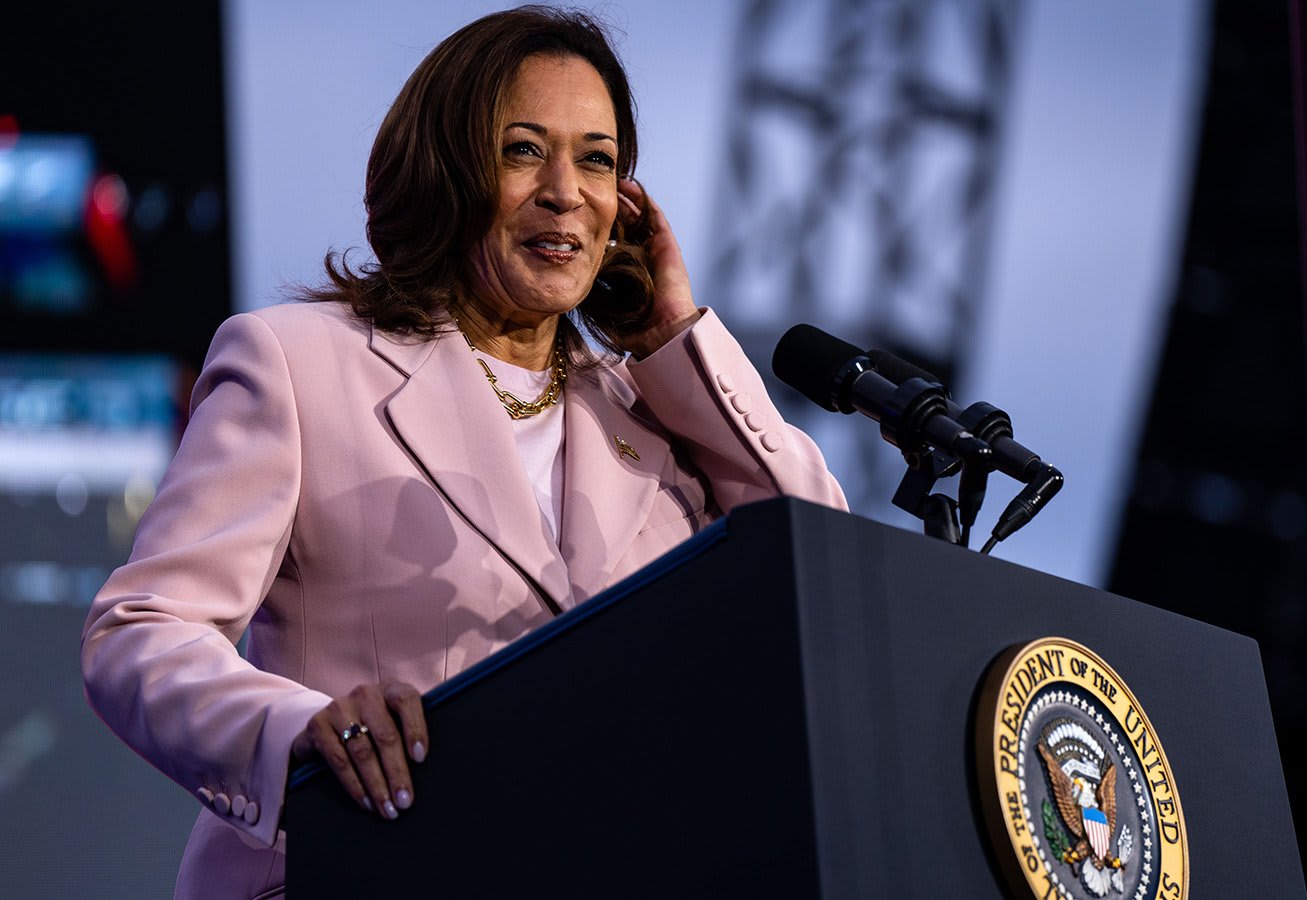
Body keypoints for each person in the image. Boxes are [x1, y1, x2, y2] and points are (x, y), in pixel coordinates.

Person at [80, 7, 846, 898]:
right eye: (525, 150)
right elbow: (141, 633)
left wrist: (678, 338)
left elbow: (817, 587)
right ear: (447, 170)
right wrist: (299, 734)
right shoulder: (297, 363)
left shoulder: (661, 418)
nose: (567, 190)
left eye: (596, 160)